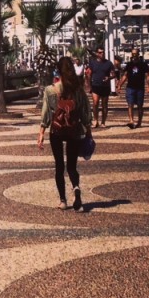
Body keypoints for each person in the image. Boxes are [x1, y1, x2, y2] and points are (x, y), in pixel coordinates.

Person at [38, 55, 92, 211]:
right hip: (74, 130)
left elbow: (46, 113)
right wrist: (88, 133)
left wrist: (41, 132)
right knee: (72, 167)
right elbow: (85, 113)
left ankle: (63, 200)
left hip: (57, 130)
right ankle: (76, 187)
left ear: (58, 71)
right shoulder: (78, 90)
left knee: (59, 166)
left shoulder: (50, 90)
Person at [85, 47, 115, 128]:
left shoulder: (109, 63)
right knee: (95, 103)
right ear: (97, 53)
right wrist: (88, 86)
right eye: (100, 52)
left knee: (104, 105)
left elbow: (113, 74)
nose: (102, 54)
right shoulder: (92, 63)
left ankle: (103, 122)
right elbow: (89, 75)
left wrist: (109, 78)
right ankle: (95, 120)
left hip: (105, 86)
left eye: (103, 52)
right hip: (95, 86)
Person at [123, 48, 148, 128]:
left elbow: (147, 76)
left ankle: (139, 122)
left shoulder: (143, 64)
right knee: (130, 104)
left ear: (138, 54)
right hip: (130, 87)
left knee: (140, 106)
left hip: (140, 87)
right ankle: (131, 120)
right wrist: (119, 84)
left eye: (135, 54)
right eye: (133, 54)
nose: (134, 56)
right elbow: (125, 75)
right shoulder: (129, 64)